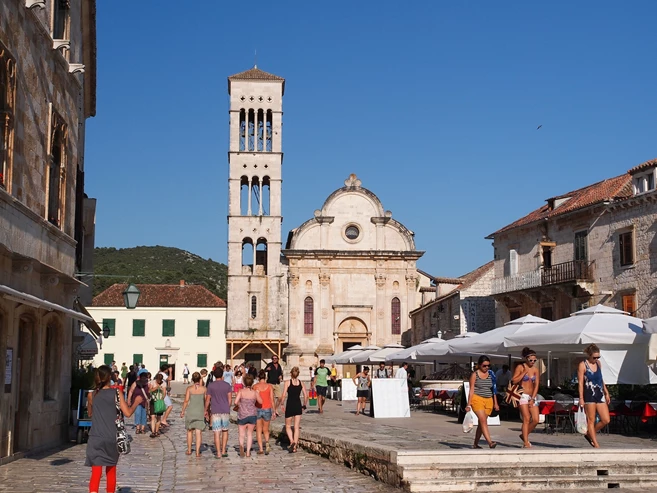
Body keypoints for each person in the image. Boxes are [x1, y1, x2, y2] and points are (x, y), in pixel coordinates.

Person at [85, 365, 143, 493]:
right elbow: (127, 413)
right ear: (109, 377)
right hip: (112, 437)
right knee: (110, 471)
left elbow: (90, 413)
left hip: (96, 437)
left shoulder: (91, 394)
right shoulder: (116, 393)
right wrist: (136, 402)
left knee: (96, 472)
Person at [578, 343, 611, 448]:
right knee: (591, 420)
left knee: (606, 419)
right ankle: (596, 444)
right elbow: (580, 383)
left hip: (599, 393)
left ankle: (589, 434)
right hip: (589, 395)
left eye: (598, 357)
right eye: (594, 357)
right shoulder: (583, 365)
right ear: (589, 355)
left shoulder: (598, 364)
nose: (596, 359)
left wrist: (606, 392)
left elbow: (601, 379)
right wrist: (581, 398)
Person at [465, 356, 499, 449]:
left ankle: (475, 444)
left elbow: (494, 389)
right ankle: (490, 442)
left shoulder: (491, 374)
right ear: (479, 365)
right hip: (477, 399)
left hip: (489, 400)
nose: (486, 367)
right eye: (484, 366)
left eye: (488, 365)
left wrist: (496, 403)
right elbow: (471, 390)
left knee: (481, 423)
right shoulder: (474, 375)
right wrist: (468, 404)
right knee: (483, 420)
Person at [512, 347, 541, 448]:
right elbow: (514, 381)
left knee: (536, 419)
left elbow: (537, 384)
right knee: (527, 418)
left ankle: (524, 435)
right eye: (531, 360)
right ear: (526, 359)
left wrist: (533, 398)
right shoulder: (520, 367)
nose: (533, 362)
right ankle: (526, 442)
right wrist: (523, 373)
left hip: (531, 395)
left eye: (534, 360)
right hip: (522, 395)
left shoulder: (535, 370)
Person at [278, 366, 307, 453]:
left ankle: (292, 442)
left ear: (291, 373)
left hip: (290, 404)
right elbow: (306, 395)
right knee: (296, 427)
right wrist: (304, 405)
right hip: (298, 405)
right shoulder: (301, 383)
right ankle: (295, 446)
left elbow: (283, 395)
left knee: (287, 426)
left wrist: (282, 404)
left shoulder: (287, 382)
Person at [205, 367, 232, 458]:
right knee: (225, 431)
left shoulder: (211, 386)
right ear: (222, 375)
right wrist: (227, 407)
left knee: (216, 432)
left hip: (215, 411)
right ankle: (224, 450)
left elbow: (208, 399)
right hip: (225, 410)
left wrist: (206, 410)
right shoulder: (227, 385)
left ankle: (218, 453)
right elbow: (229, 400)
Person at [235, 373, 262, 458]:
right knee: (250, 434)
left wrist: (240, 404)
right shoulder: (254, 393)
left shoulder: (241, 391)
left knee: (241, 434)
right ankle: (248, 452)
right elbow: (261, 402)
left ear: (244, 382)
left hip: (242, 414)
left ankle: (242, 446)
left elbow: (235, 402)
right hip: (252, 414)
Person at [180, 372, 207, 457]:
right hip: (200, 411)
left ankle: (189, 450)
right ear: (200, 379)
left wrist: (183, 411)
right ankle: (198, 452)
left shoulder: (189, 389)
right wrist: (207, 412)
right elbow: (206, 401)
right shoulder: (204, 389)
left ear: (192, 379)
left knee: (189, 431)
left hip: (191, 411)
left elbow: (186, 401)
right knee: (198, 432)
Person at [254, 369, 277, 455]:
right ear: (265, 377)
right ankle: (267, 443)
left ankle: (260, 449)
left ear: (258, 377)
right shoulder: (269, 386)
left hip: (258, 409)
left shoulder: (255, 386)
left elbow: (253, 399)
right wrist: (274, 411)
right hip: (267, 408)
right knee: (266, 429)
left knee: (259, 430)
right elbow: (272, 399)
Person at [127, 369, 150, 435]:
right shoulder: (135, 383)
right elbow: (131, 391)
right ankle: (137, 427)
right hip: (136, 402)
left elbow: (149, 392)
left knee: (144, 415)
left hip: (144, 402)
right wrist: (129, 400)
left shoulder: (148, 384)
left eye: (144, 378)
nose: (143, 379)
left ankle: (142, 428)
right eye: (142, 378)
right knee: (137, 413)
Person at [149, 373, 167, 438]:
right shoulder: (152, 382)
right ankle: (153, 431)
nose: (159, 381)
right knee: (153, 417)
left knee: (159, 417)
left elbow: (164, 393)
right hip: (153, 401)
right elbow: (149, 390)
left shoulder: (164, 383)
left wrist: (162, 398)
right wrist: (156, 388)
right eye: (158, 380)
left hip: (159, 401)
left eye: (160, 380)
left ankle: (156, 431)